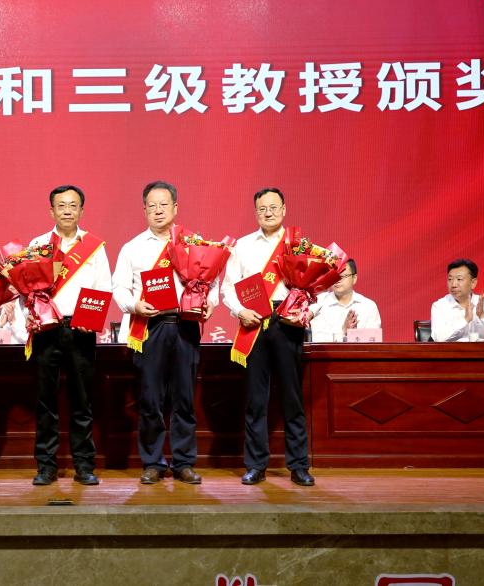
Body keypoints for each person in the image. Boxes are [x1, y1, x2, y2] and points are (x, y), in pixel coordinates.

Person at [112, 180, 214, 485]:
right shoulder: (132, 248)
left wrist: (209, 303)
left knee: (184, 398)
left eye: (163, 205)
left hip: (184, 326)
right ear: (144, 209)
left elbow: (212, 282)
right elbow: (119, 288)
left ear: (175, 208)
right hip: (149, 327)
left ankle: (183, 462)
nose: (158, 210)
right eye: (152, 205)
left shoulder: (193, 244)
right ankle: (153, 462)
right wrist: (135, 305)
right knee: (150, 399)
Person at [221, 187, 314, 487]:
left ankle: (299, 466)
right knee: (256, 399)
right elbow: (227, 288)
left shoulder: (299, 245)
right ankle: (255, 465)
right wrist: (239, 311)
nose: (268, 213)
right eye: (262, 208)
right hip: (254, 322)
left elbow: (319, 289)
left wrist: (308, 313)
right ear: (255, 212)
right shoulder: (243, 246)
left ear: (284, 210)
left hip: (288, 323)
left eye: (274, 207)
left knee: (292, 398)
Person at [26, 185, 112, 486]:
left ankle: (84, 466)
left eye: (72, 205)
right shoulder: (38, 245)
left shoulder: (94, 247)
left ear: (81, 210)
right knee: (45, 401)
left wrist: (92, 319)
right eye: (61, 205)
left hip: (81, 330)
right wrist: (30, 313)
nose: (67, 211)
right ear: (51, 211)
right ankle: (46, 467)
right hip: (46, 331)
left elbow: (103, 287)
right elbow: (26, 289)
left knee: (82, 401)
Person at [308, 259, 382, 342]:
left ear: (354, 278)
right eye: (334, 275)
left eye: (343, 276)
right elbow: (318, 342)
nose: (337, 280)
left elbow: (373, 343)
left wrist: (351, 335)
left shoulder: (369, 306)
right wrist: (343, 333)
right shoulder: (318, 302)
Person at [430, 258, 484, 342]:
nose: (453, 284)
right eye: (450, 279)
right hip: (452, 350)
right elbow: (438, 338)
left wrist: (483, 316)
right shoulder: (439, 306)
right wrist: (465, 320)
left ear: (473, 283)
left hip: (482, 350)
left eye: (459, 279)